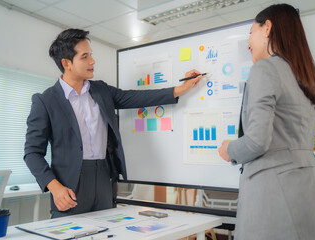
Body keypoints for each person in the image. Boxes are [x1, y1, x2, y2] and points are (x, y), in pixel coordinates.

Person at [24, 28, 203, 218]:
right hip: (69, 186)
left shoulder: (101, 90)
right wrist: (55, 187)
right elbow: (32, 153)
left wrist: (181, 88)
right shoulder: (45, 101)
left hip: (103, 177)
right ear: (66, 63)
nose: (92, 61)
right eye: (85, 56)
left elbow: (136, 97)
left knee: (106, 232)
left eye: (91, 55)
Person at [218, 4, 315, 240]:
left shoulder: (265, 69)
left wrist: (228, 149)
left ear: (267, 27)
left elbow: (256, 142)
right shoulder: (304, 76)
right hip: (308, 200)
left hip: (272, 204)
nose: (248, 41)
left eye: (251, 31)